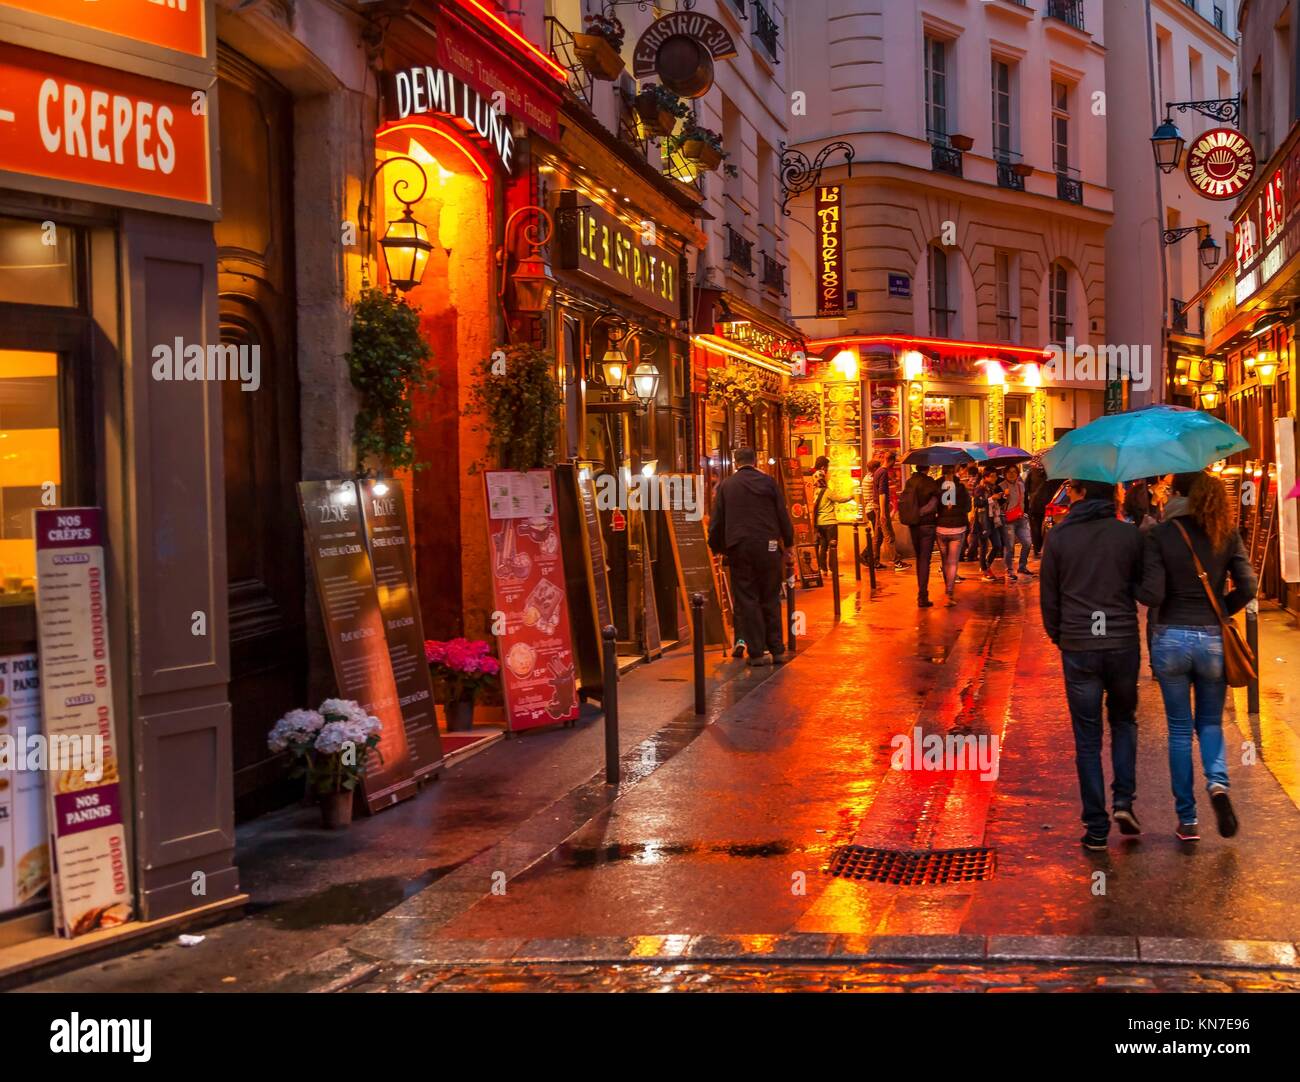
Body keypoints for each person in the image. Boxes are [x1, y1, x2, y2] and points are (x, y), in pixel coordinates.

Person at [1137, 471, 1257, 842]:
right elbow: (1249, 586)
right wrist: (1223, 607)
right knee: (1209, 723)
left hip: (1171, 637)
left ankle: (1187, 819)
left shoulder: (1160, 533)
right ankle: (1218, 784)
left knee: (1177, 730)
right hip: (1211, 640)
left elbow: (1152, 596)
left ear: (1179, 495)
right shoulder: (1226, 532)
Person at [1040, 478, 1144, 851]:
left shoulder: (1059, 538)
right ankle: (1123, 802)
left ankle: (1096, 827)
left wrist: (1062, 636)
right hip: (1121, 644)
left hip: (1079, 645)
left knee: (1087, 738)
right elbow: (1143, 589)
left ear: (1079, 493)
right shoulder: (1129, 536)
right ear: (1111, 493)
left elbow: (1049, 600)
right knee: (1123, 722)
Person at [708, 446, 795, 666]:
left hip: (740, 547)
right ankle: (776, 650)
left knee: (748, 598)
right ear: (755, 461)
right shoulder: (769, 482)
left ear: (736, 462)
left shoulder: (727, 485)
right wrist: (789, 544)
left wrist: (717, 547)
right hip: (769, 545)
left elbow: (717, 521)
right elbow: (782, 514)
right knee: (770, 596)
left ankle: (756, 653)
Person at [898, 464, 940, 607]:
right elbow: (935, 504)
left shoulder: (910, 482)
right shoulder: (930, 482)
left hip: (913, 525)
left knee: (919, 558)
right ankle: (922, 595)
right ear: (927, 468)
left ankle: (921, 593)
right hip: (927, 525)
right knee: (924, 560)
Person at [936, 464, 972, 605]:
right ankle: (949, 593)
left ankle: (947, 588)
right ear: (955, 471)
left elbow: (934, 505)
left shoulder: (937, 487)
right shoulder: (961, 488)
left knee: (945, 561)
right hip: (957, 528)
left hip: (941, 528)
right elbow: (968, 507)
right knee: (952, 562)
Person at [811, 455, 851, 573]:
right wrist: (851, 496)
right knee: (833, 547)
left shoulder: (815, 492)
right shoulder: (827, 491)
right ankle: (834, 570)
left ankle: (823, 568)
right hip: (830, 523)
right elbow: (839, 499)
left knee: (823, 547)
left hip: (820, 523)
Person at [872, 451, 909, 572]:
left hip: (876, 506)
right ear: (891, 460)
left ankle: (875, 561)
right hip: (881, 507)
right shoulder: (883, 473)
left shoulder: (877, 471)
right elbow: (882, 493)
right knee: (889, 535)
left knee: (878, 536)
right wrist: (883, 512)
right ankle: (896, 562)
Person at [999, 463, 1034, 581]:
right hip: (1007, 519)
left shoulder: (1021, 485)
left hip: (1021, 518)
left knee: (1028, 542)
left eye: (1014, 472)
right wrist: (1004, 496)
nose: (1012, 474)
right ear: (1005, 474)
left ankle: (1022, 566)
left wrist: (1026, 513)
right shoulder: (1001, 486)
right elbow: (997, 503)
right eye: (1009, 472)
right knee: (1010, 546)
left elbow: (1025, 500)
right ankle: (1009, 570)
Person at [1026, 461, 1051, 556]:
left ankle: (1037, 549)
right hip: (1049, 504)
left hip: (1035, 503)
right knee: (1046, 527)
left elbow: (1026, 488)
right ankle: (1045, 549)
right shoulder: (1053, 473)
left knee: (1035, 527)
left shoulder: (1032, 472)